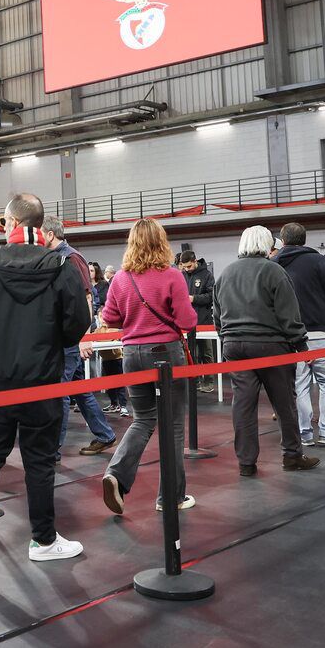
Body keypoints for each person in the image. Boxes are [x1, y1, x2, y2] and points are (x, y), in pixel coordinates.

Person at [0, 194, 91, 566]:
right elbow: (77, 323)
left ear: (10, 222)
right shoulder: (62, 266)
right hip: (42, 378)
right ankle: (43, 540)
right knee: (39, 460)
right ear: (40, 223)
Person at [96, 218, 198, 514]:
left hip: (131, 354)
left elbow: (111, 319)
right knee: (173, 426)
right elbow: (187, 321)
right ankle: (171, 497)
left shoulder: (120, 279)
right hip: (165, 354)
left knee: (142, 419)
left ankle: (116, 474)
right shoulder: (172, 275)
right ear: (161, 242)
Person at [214, 226, 321, 476]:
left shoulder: (226, 273)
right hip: (271, 345)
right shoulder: (274, 271)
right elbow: (289, 314)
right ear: (267, 245)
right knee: (284, 403)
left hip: (234, 345)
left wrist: (226, 337)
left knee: (243, 405)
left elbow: (217, 314)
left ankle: (246, 463)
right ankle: (292, 456)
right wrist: (301, 346)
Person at [43, 216, 116, 458]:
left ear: (50, 234)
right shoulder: (57, 257)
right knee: (79, 389)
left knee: (61, 392)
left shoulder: (71, 258)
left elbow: (87, 298)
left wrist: (84, 337)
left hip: (71, 339)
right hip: (64, 337)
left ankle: (52, 450)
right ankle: (105, 434)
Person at [273, 223, 325, 446]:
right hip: (323, 331)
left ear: (282, 239)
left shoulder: (274, 264)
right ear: (304, 239)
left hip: (290, 335)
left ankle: (303, 432)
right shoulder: (318, 260)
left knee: (299, 385)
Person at [179, 251, 217, 393]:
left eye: (189, 266)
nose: (187, 269)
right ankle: (193, 381)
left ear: (195, 261)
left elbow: (212, 295)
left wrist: (194, 299)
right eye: (184, 267)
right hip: (186, 322)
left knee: (206, 353)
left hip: (203, 320)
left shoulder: (207, 275)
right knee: (189, 353)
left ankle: (209, 381)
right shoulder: (181, 275)